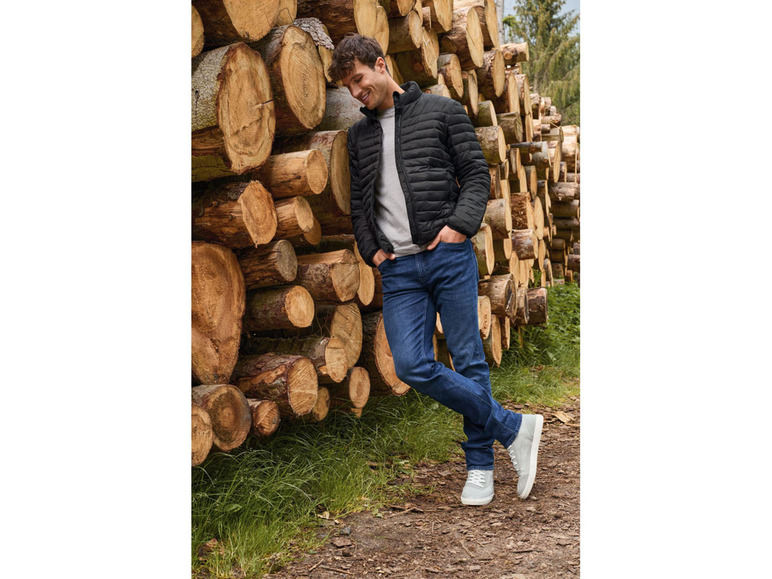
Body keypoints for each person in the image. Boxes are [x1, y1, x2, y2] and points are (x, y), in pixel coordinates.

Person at [328, 34, 543, 506]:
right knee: (410, 364)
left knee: (468, 359)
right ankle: (514, 428)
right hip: (399, 270)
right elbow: (360, 205)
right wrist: (372, 251)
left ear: (381, 65)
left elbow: (477, 174)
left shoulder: (442, 112)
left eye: (359, 80)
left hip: (447, 256)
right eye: (349, 88)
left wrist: (459, 227)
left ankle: (480, 468)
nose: (357, 92)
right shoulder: (359, 137)